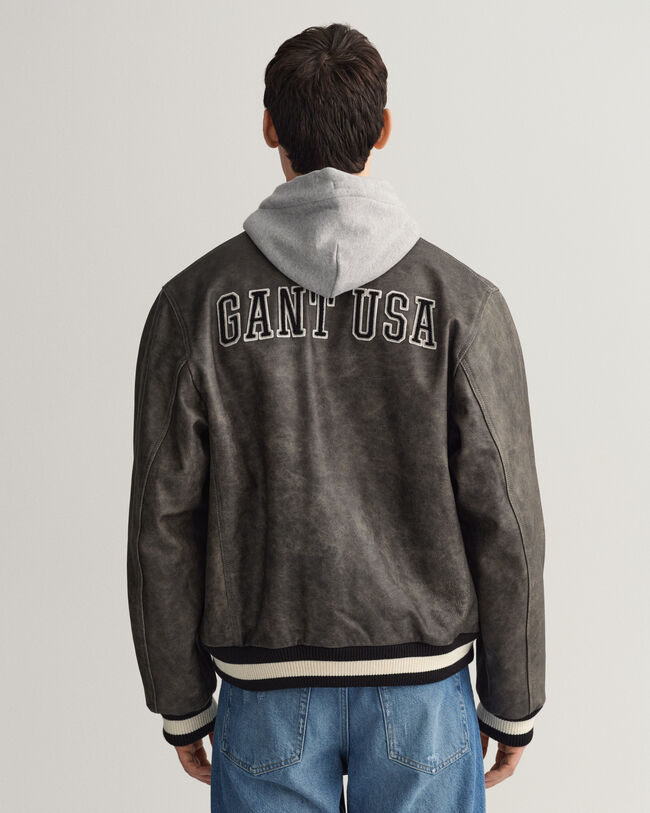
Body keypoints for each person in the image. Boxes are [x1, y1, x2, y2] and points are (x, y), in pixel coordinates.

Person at [126, 22, 546, 813]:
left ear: (269, 128)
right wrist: (513, 700)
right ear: (383, 129)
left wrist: (179, 698)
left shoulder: (195, 304)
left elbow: (162, 520)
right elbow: (509, 520)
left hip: (263, 690)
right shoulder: (466, 304)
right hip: (424, 695)